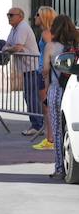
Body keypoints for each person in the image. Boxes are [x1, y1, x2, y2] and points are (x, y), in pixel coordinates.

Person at [43, 15, 79, 179]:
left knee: (58, 130)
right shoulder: (75, 45)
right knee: (69, 128)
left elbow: (45, 70)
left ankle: (59, 168)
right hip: (73, 87)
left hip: (56, 90)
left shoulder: (51, 46)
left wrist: (46, 89)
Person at [3, 6, 43, 136]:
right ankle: (36, 124)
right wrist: (8, 48)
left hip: (32, 67)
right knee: (29, 96)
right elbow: (8, 44)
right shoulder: (14, 29)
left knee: (31, 97)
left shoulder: (22, 27)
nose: (9, 17)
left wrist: (8, 49)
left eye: (11, 15)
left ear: (20, 16)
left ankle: (37, 125)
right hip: (26, 68)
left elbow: (17, 47)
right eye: (8, 15)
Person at [33, 6, 57, 149]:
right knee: (48, 106)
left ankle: (50, 139)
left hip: (44, 72)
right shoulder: (51, 33)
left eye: (37, 14)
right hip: (46, 71)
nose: (35, 17)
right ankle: (51, 138)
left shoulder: (46, 34)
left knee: (47, 107)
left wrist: (45, 70)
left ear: (43, 17)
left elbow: (49, 51)